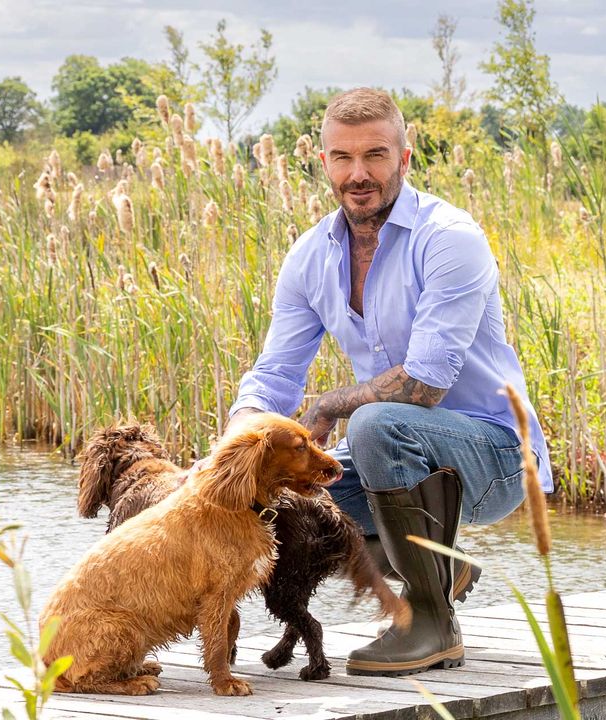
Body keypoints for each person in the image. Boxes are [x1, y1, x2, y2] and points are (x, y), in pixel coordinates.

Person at [228, 87, 551, 677]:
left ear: (404, 159)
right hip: (396, 456)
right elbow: (273, 375)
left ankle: (428, 623)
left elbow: (425, 383)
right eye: (343, 158)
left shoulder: (450, 237)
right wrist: (233, 456)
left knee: (375, 422)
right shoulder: (309, 257)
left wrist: (329, 405)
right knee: (288, 501)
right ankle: (442, 566)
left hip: (495, 454)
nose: (359, 174)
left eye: (375, 155)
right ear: (323, 163)